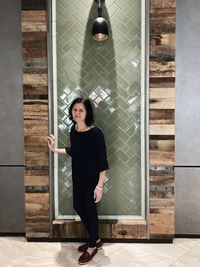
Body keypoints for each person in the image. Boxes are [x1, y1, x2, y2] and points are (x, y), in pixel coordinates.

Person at [48, 97, 109, 265]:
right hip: (78, 178)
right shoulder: (73, 129)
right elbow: (74, 151)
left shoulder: (96, 133)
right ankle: (96, 239)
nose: (77, 113)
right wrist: (54, 149)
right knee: (78, 206)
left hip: (92, 180)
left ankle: (92, 246)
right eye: (75, 110)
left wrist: (99, 186)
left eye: (81, 110)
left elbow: (102, 161)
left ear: (87, 112)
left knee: (90, 211)